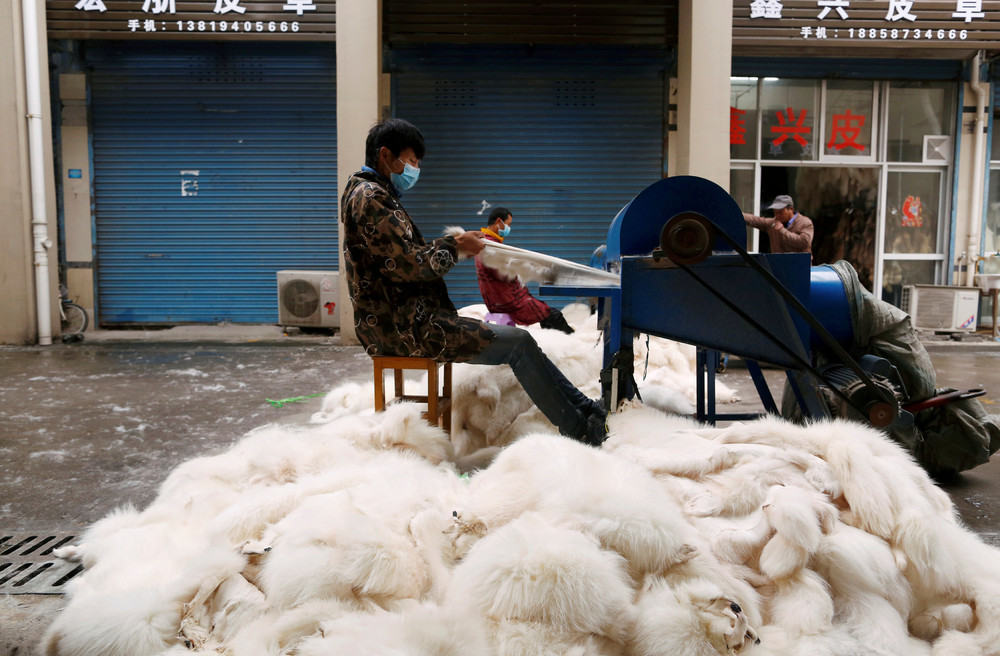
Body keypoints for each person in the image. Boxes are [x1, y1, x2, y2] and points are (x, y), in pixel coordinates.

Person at [340, 118, 607, 446]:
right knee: (519, 344)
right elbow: (407, 265)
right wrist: (456, 246)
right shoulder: (371, 197)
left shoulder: (370, 193)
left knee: (522, 342)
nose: (414, 169)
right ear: (385, 156)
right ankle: (581, 428)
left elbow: (402, 257)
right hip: (405, 329)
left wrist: (462, 246)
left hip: (406, 321)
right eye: (410, 161)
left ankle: (586, 410)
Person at [475, 207, 575, 335]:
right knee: (554, 316)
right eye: (508, 224)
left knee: (549, 315)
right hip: (507, 301)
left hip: (501, 299)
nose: (508, 229)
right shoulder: (489, 246)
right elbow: (502, 273)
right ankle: (574, 345)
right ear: (499, 222)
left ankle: (555, 343)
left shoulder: (487, 243)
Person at [743, 194, 814, 256]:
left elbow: (804, 242)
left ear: (791, 209)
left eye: (780, 212)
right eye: (775, 213)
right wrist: (737, 214)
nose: (777, 215)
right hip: (778, 265)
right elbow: (755, 220)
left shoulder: (805, 222)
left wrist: (783, 231)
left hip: (799, 266)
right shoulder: (772, 223)